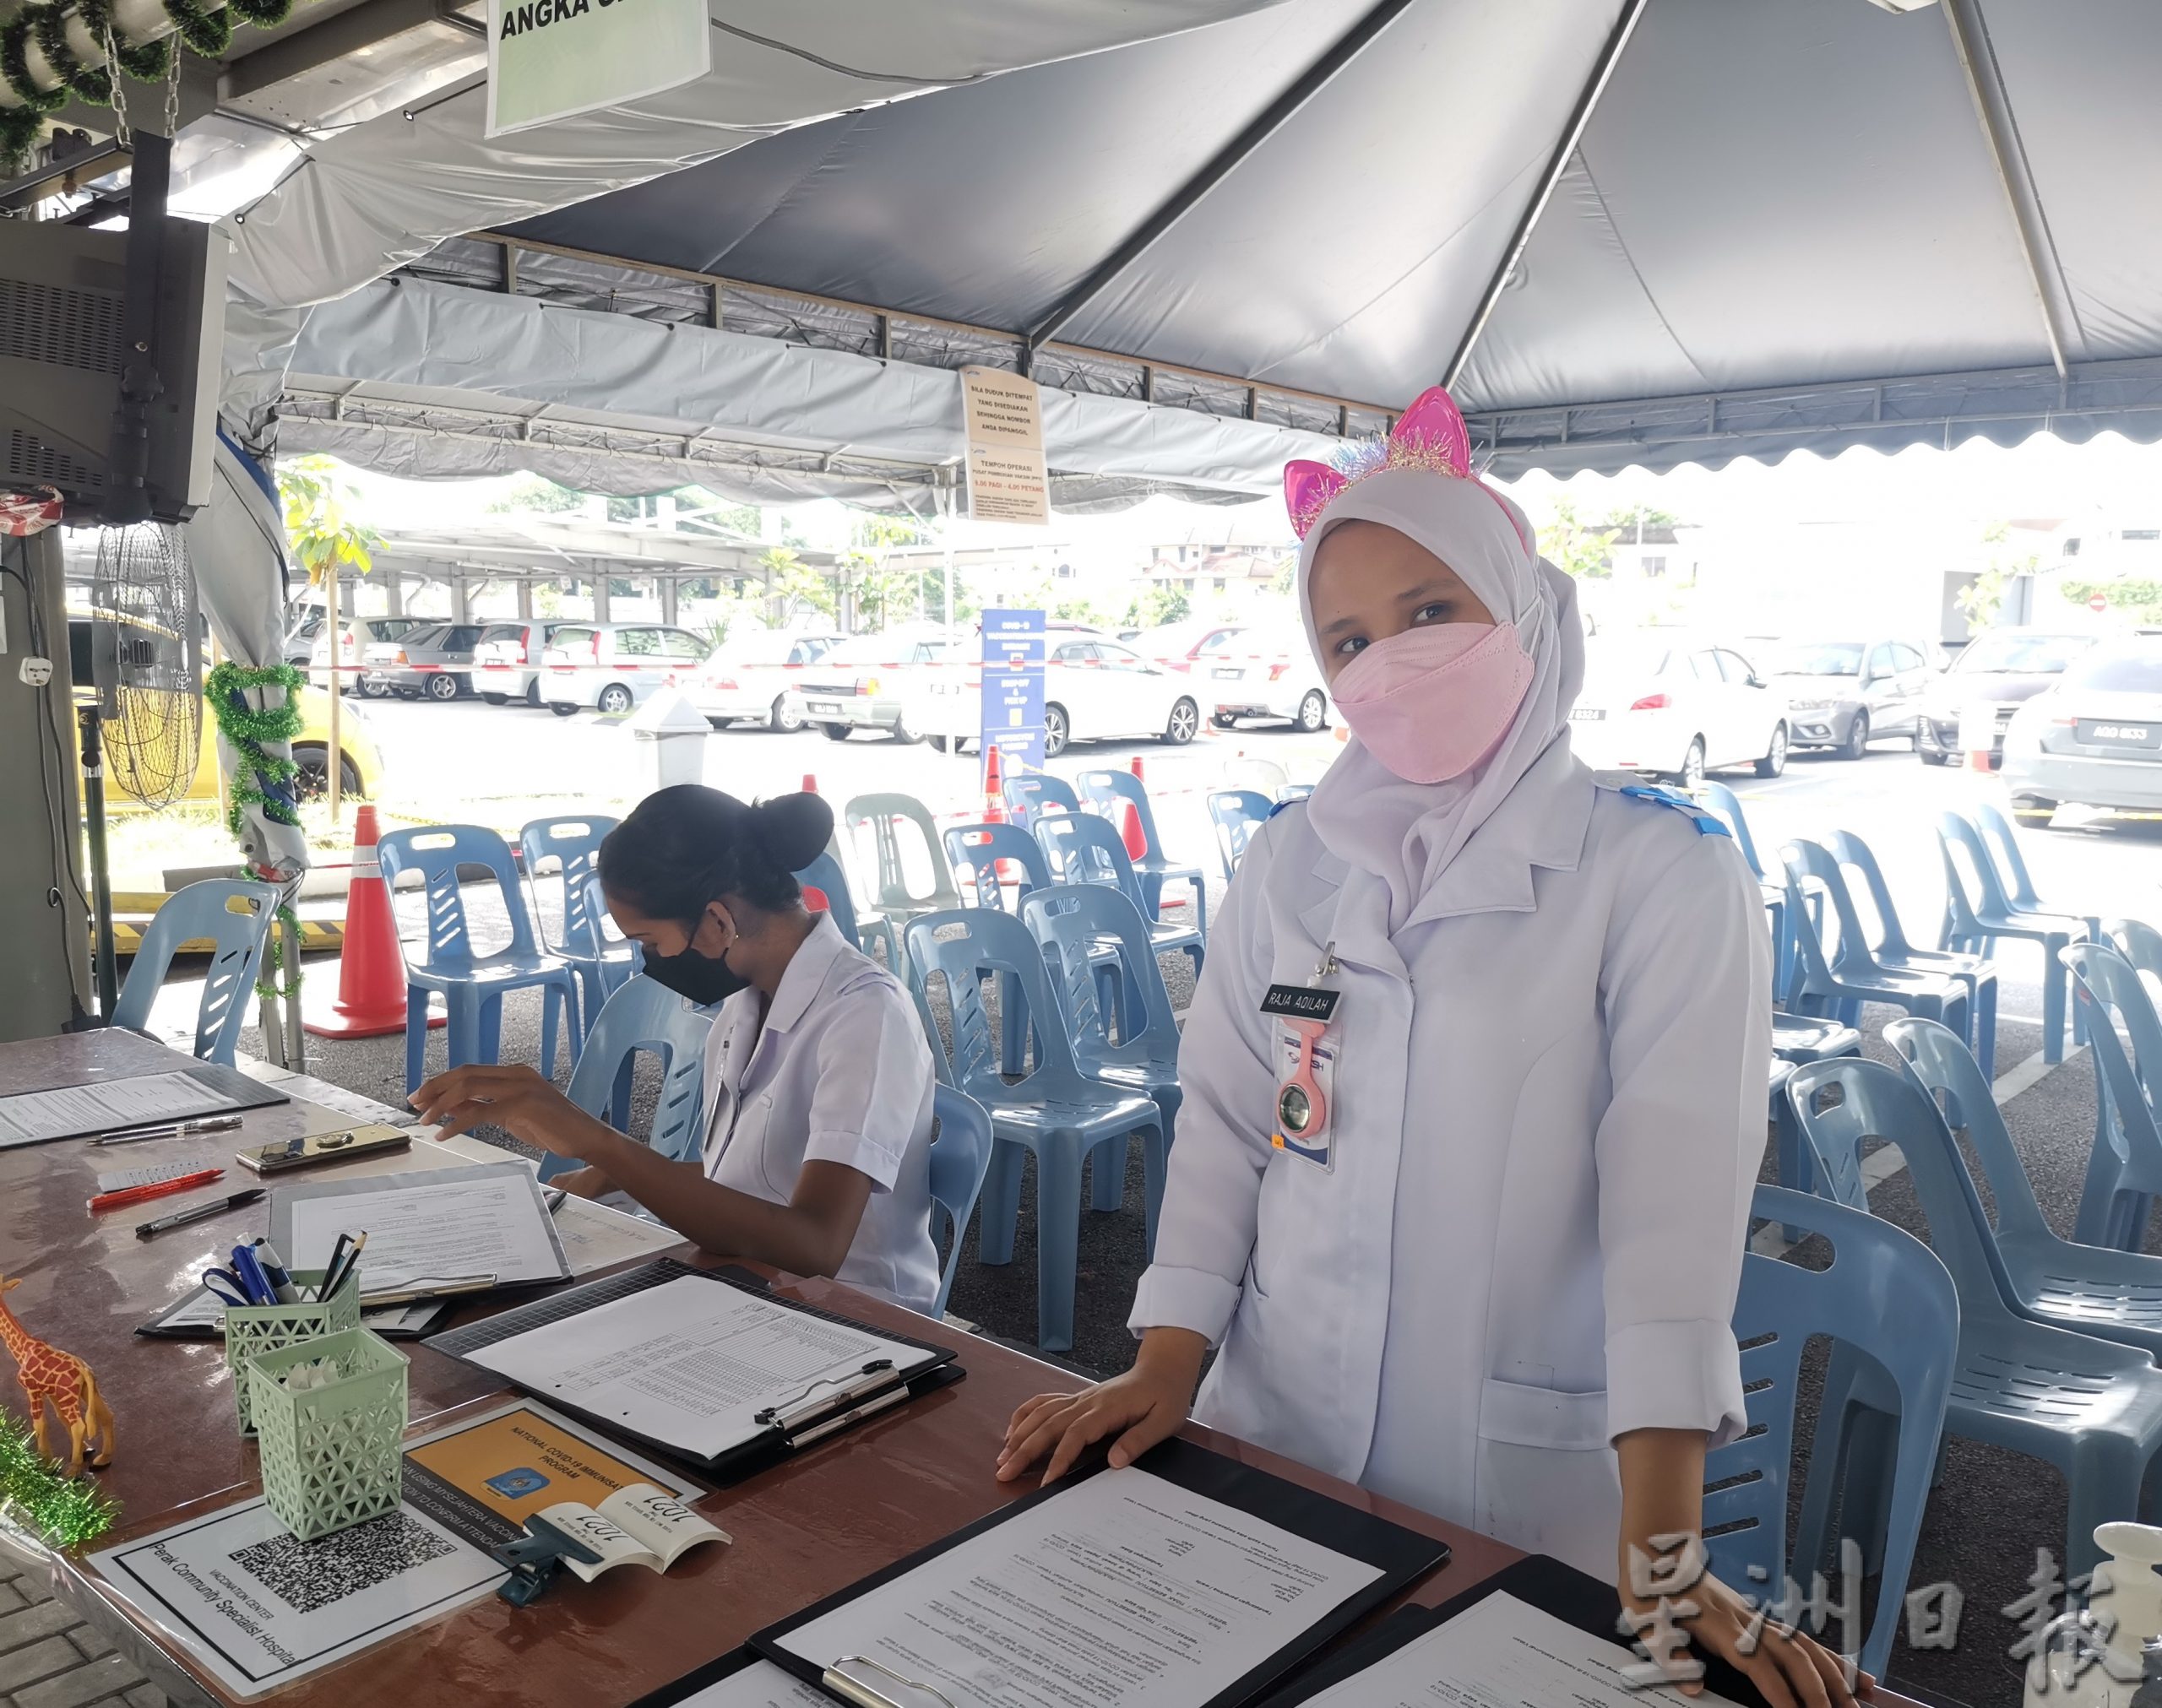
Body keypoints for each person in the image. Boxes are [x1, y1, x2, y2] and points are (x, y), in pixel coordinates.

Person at [996, 389, 1850, 1708]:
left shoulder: (1658, 871)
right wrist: (1169, 1357)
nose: (1387, 658)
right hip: (1270, 1438)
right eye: (1346, 635)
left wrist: (1667, 1556)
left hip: (1517, 1473)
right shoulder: (1292, 858)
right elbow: (1228, 1120)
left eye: (1431, 609)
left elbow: (1672, 1218)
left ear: (1527, 609)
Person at [410, 785, 941, 1313]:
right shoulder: (748, 1001)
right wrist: (619, 1175)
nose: (653, 961)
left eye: (649, 941)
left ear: (717, 921)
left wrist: (602, 1144)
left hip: (861, 1319)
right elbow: (749, 1178)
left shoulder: (866, 1017)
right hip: (756, 1287)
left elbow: (815, 1245)